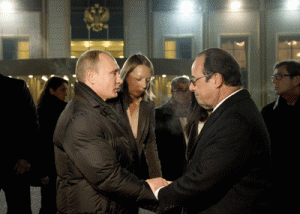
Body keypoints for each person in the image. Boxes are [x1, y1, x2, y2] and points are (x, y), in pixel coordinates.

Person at [146, 48, 271, 213]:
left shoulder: (235, 119)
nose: (191, 87)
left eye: (194, 80)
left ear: (216, 79)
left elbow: (203, 179)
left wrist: (159, 193)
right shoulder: (232, 110)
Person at [53, 50, 167, 214]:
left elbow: (143, 148)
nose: (119, 80)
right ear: (91, 77)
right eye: (114, 73)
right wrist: (157, 196)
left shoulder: (98, 110)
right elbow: (108, 177)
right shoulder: (81, 119)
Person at [109, 53, 162, 180]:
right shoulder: (111, 102)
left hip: (134, 176)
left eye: (147, 80)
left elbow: (150, 145)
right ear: (125, 76)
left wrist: (157, 179)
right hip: (110, 176)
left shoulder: (148, 105)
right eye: (138, 79)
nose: (144, 85)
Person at [261, 60, 300, 212]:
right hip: (276, 191)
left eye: (279, 76)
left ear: (296, 79)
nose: (273, 81)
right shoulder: (268, 112)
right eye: (273, 77)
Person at [0, 73, 39, 214]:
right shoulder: (16, 86)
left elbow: (32, 124)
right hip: (17, 162)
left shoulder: (16, 86)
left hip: (16, 163)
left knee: (19, 208)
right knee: (19, 208)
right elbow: (32, 123)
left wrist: (26, 156)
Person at [37, 77, 68, 214]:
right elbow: (41, 142)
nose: (66, 93)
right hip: (55, 165)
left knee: (49, 203)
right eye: (62, 89)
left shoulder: (41, 110)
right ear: (52, 91)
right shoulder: (63, 110)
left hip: (53, 166)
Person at [155, 76, 191, 182]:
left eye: (187, 90)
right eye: (179, 90)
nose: (184, 93)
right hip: (170, 173)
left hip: (193, 173)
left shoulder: (197, 113)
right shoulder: (158, 114)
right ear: (172, 92)